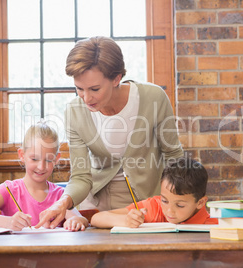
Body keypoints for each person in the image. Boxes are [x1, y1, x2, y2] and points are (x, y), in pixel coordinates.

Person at [35, 36, 183, 229]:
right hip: (98, 213)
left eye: (95, 89)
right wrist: (62, 203)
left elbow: (173, 156)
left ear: (116, 78)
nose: (86, 98)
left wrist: (180, 203)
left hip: (147, 208)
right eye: (79, 88)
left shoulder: (153, 98)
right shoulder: (74, 111)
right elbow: (81, 176)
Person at [0, 122, 88, 231]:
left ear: (56, 159)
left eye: (49, 160)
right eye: (34, 159)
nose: (41, 166)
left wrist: (75, 221)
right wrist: (8, 222)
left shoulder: (60, 195)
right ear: (22, 155)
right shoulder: (8, 189)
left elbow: (80, 219)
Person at [90, 158, 218, 228]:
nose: (169, 211)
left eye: (180, 205)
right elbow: (97, 219)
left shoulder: (214, 225)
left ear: (200, 202)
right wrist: (126, 220)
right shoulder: (154, 208)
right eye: (165, 201)